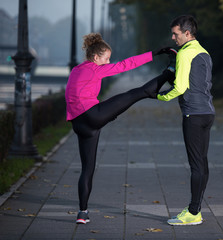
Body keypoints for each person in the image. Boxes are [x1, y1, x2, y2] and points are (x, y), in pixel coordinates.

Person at [65, 33, 176, 224]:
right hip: (94, 116)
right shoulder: (94, 69)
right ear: (95, 57)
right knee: (136, 93)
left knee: (87, 169)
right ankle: (169, 72)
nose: (108, 62)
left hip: (79, 125)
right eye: (106, 59)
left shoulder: (76, 70)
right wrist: (154, 53)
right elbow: (127, 64)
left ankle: (82, 213)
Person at [157, 15, 215, 225]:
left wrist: (161, 96)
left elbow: (180, 88)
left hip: (193, 114)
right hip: (208, 113)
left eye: (176, 34)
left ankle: (193, 213)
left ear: (187, 33)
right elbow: (199, 82)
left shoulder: (184, 53)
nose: (173, 37)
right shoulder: (205, 53)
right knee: (203, 164)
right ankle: (195, 210)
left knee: (196, 165)